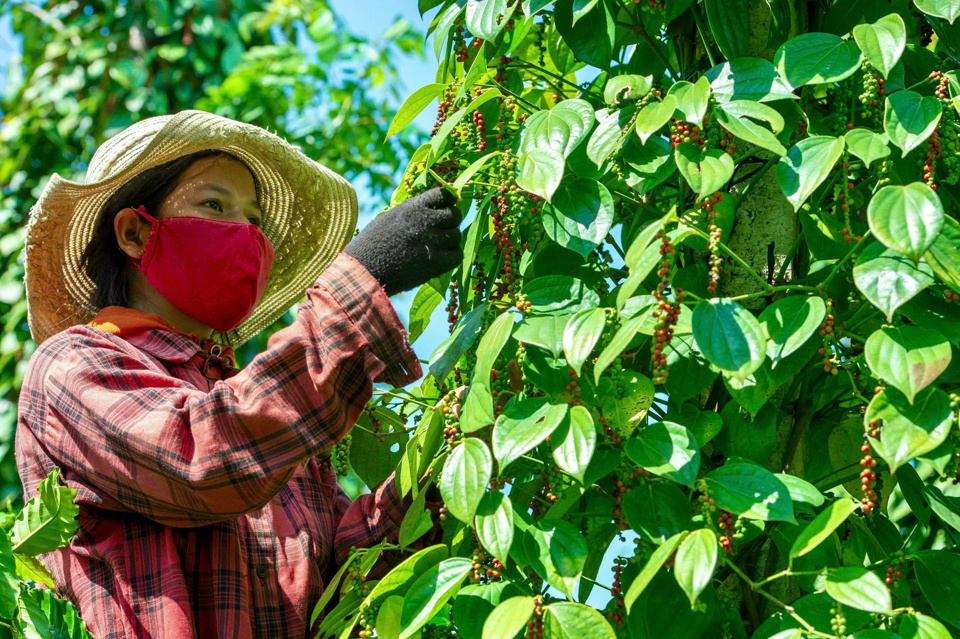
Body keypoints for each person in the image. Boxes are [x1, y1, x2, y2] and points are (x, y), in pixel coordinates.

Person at [15, 110, 461, 638]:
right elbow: (201, 457)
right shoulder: (74, 364)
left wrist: (448, 456)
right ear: (135, 233)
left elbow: (347, 588)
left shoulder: (272, 419)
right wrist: (360, 283)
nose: (246, 234)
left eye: (254, 220)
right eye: (213, 205)